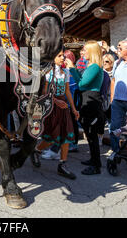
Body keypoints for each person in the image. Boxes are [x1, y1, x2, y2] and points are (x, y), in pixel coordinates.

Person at [32, 50, 79, 180]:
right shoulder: (48, 73)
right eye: (59, 56)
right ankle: (36, 150)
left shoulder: (66, 72)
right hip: (52, 107)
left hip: (64, 107)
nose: (63, 57)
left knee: (66, 136)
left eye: (63, 55)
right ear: (52, 59)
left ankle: (62, 164)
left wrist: (74, 109)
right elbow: (44, 93)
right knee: (51, 138)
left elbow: (68, 91)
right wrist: (56, 101)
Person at [66, 40, 104, 175]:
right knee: (89, 133)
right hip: (88, 98)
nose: (83, 52)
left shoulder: (94, 67)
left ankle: (96, 165)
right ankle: (94, 160)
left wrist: (71, 68)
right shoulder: (91, 65)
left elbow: (82, 84)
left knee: (91, 134)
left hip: (91, 100)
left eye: (85, 50)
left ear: (92, 52)